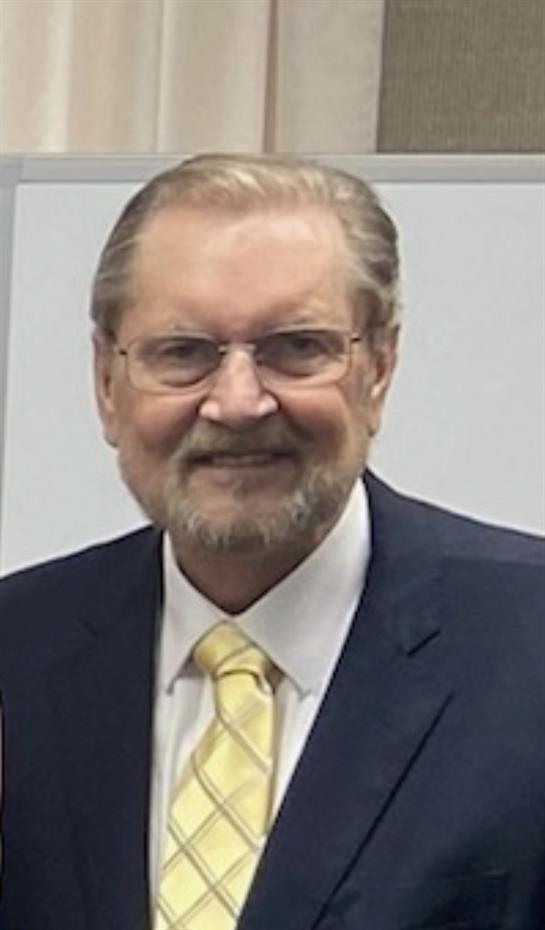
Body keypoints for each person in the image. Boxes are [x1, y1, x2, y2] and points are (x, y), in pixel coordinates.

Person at [0, 154, 543, 930]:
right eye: (182, 352)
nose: (238, 401)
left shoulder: (528, 648)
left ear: (378, 367)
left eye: (296, 347)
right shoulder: (17, 651)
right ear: (106, 382)